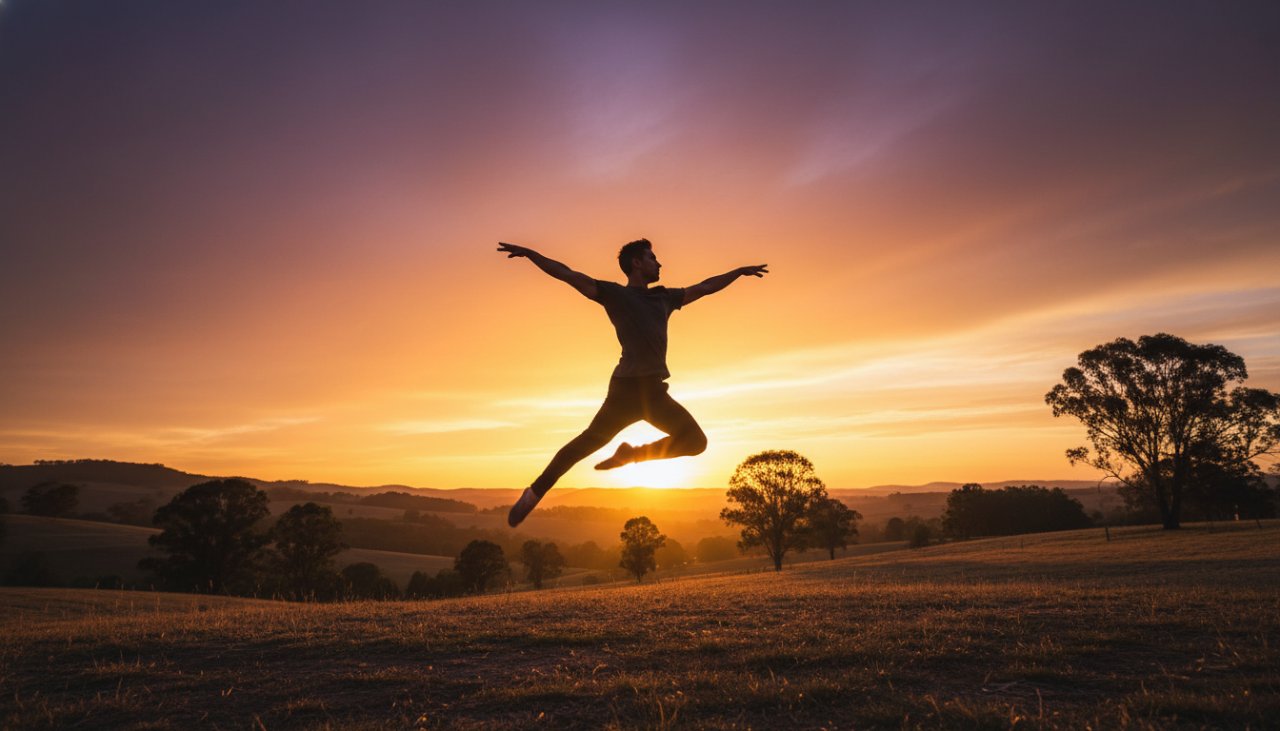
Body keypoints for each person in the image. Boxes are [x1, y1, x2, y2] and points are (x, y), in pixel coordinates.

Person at [498, 238, 768, 527]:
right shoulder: (614, 294)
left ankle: (631, 455)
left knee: (696, 442)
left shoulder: (664, 297)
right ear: (636, 263)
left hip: (653, 392)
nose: (659, 262)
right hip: (625, 392)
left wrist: (738, 271)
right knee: (585, 444)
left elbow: (704, 287)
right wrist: (531, 254)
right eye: (652, 257)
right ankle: (533, 494)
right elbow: (567, 274)